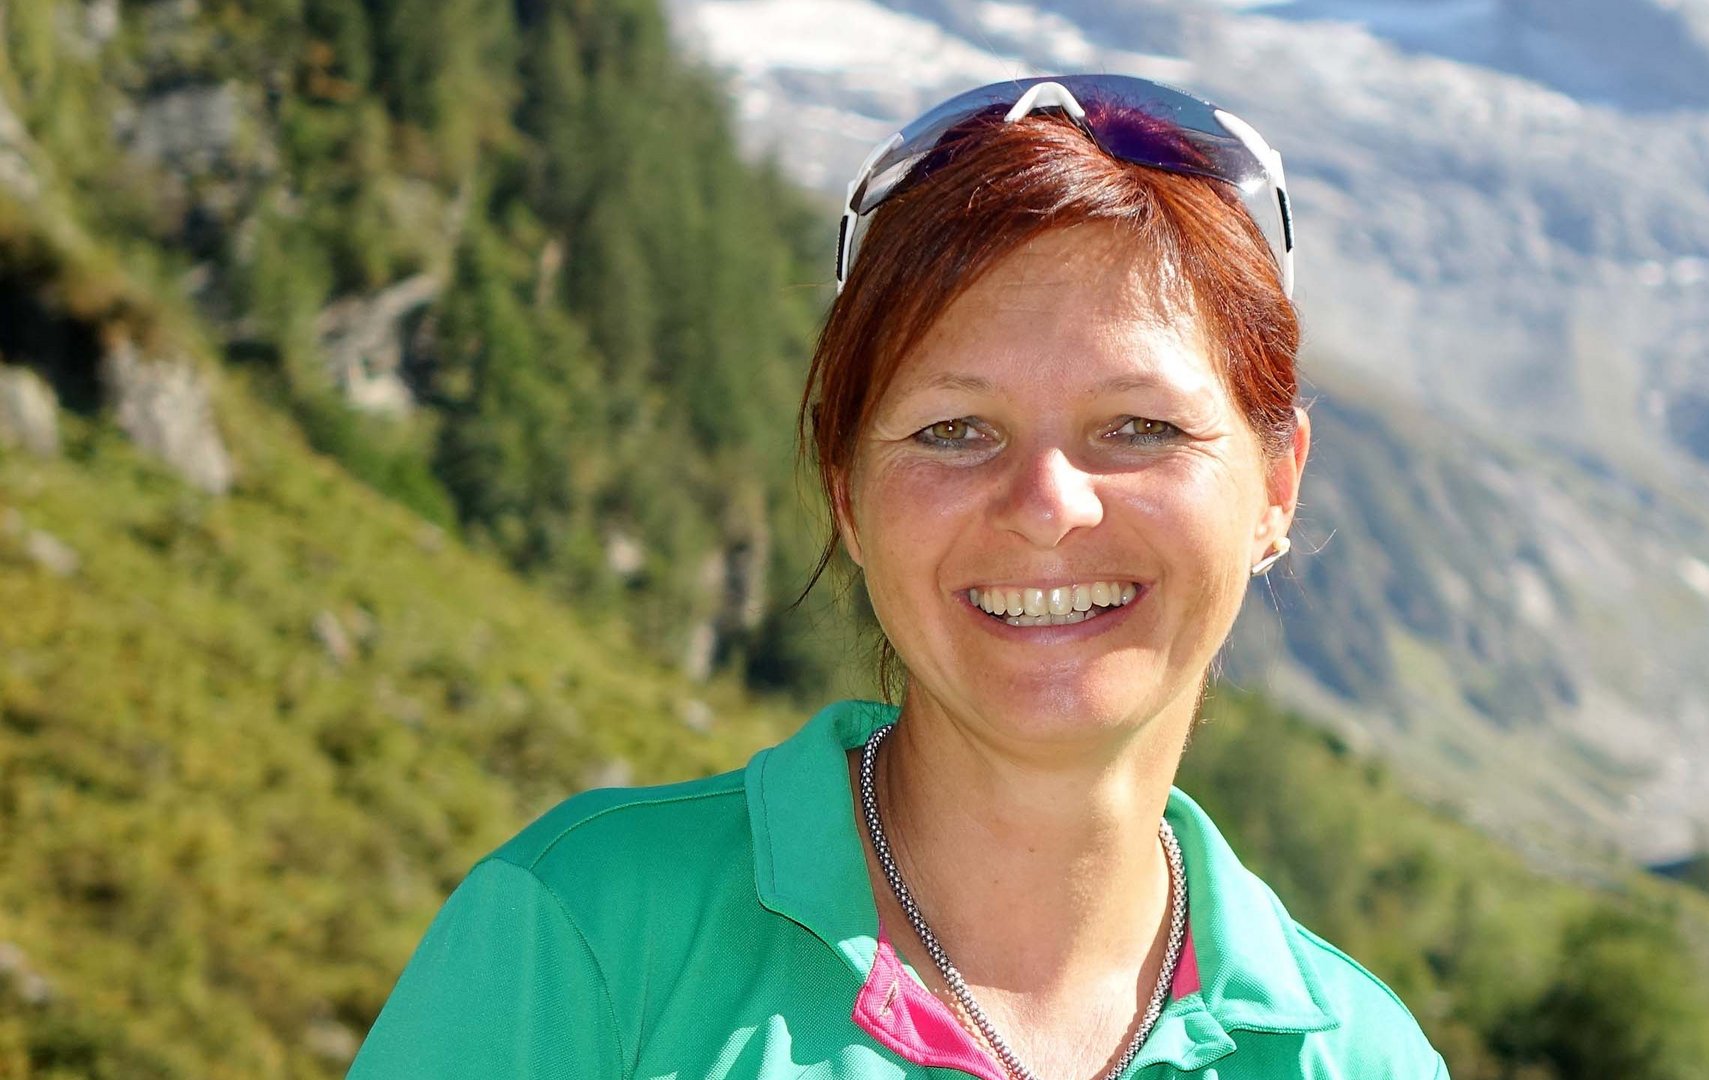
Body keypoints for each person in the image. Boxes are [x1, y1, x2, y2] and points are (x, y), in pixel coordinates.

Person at [348, 75, 1447, 1080]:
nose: (1048, 503)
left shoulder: (1361, 1056)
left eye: (1139, 426)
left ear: (1276, 486)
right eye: (956, 430)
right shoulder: (587, 938)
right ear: (847, 493)